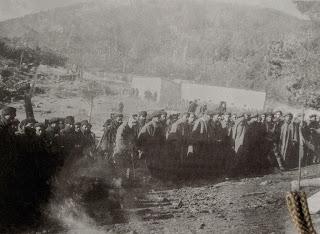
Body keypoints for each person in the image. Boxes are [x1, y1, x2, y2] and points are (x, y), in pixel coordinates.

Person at [113, 114, 139, 182]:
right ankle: (118, 183)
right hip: (120, 151)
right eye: (133, 122)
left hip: (128, 151)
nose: (134, 124)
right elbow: (120, 141)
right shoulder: (122, 128)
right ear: (129, 121)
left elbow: (133, 139)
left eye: (136, 123)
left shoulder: (132, 128)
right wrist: (128, 148)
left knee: (128, 166)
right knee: (120, 167)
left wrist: (134, 147)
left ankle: (127, 181)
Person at [137, 111, 163, 176]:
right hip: (147, 148)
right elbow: (141, 139)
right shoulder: (148, 126)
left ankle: (154, 176)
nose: (159, 118)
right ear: (153, 118)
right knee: (148, 164)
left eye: (159, 117)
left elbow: (161, 138)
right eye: (157, 117)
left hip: (155, 148)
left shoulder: (159, 125)